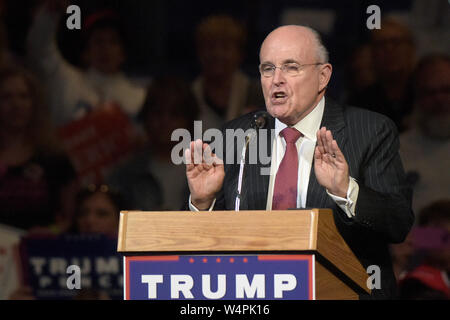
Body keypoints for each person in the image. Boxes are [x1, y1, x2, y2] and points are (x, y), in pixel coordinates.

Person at [184, 25, 413, 299]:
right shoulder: (237, 136)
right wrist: (203, 203)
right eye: (268, 69)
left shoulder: (370, 131)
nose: (276, 79)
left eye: (291, 67)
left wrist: (345, 191)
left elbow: (398, 222)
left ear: (323, 76)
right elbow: (207, 250)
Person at [26, 0, 145, 126]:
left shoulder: (139, 97)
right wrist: (51, 13)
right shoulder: (66, 81)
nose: (105, 49)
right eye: (98, 41)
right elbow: (40, 49)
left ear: (123, 54)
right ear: (86, 52)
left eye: (113, 42)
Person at [0, 65, 77, 231]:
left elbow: (73, 219)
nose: (16, 105)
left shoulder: (54, 158)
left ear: (34, 103)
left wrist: (50, 232)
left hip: (41, 251)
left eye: (23, 96)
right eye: (7, 97)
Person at [107, 76, 198, 210]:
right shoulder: (124, 174)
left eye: (174, 114)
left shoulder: (209, 170)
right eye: (157, 113)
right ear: (146, 118)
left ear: (189, 121)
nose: (164, 122)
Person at [193, 14, 264, 130]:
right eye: (210, 47)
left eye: (225, 47)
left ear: (240, 54)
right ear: (199, 51)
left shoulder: (258, 95)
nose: (217, 54)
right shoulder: (188, 97)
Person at [399, 54, 450, 213]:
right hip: (416, 237)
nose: (439, 99)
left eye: (446, 90)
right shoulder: (394, 152)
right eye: (430, 92)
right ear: (417, 97)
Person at [348, 18, 416, 132]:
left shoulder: (429, 93)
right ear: (372, 53)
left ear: (411, 48)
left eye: (396, 42)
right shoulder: (359, 102)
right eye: (381, 44)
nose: (389, 49)